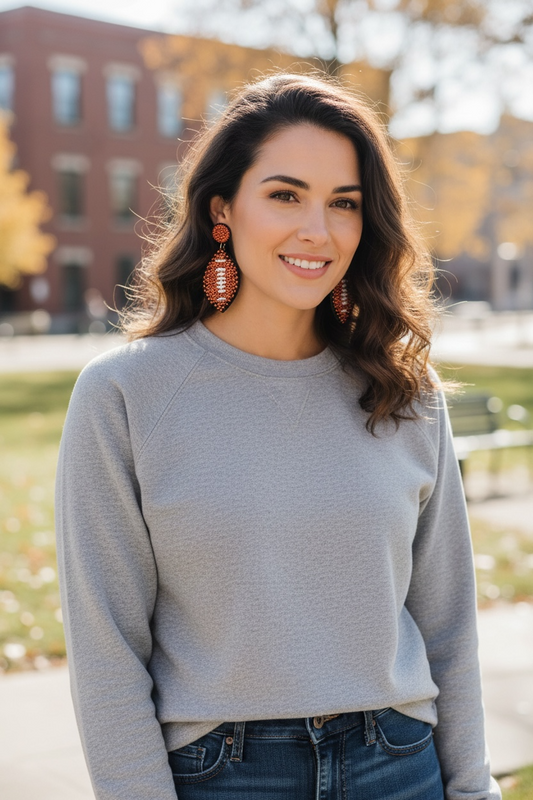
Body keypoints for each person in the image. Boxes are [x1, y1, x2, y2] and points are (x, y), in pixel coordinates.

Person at [55, 72, 501, 800]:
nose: (316, 231)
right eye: (285, 195)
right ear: (222, 208)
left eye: (344, 204)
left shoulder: (402, 390)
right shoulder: (125, 396)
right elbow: (106, 652)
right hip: (222, 775)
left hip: (399, 761)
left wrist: (472, 786)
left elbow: (447, 623)